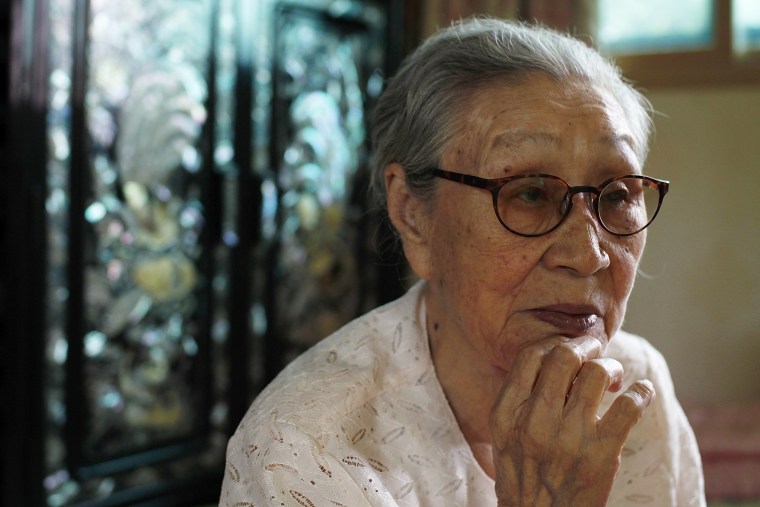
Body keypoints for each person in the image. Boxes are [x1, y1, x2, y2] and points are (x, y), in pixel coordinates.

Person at [220, 17, 706, 506]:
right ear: (413, 215)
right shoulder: (304, 448)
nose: (587, 255)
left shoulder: (635, 383)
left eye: (618, 194)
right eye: (531, 193)